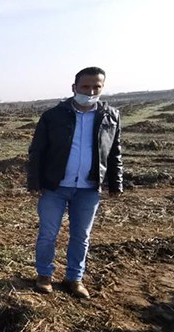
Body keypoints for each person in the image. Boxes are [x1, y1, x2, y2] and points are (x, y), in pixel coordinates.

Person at [27, 66, 123, 299]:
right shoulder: (53, 116)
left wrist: (115, 182)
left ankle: (74, 278)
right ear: (74, 88)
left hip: (89, 189)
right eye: (85, 87)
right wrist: (34, 181)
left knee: (81, 236)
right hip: (55, 186)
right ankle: (44, 276)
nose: (90, 91)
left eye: (96, 87)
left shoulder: (111, 116)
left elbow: (114, 152)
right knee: (48, 233)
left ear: (102, 88)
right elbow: (37, 150)